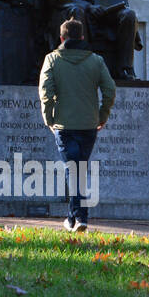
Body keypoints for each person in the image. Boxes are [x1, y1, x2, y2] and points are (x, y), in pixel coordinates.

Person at [38, 18, 116, 232]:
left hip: (64, 126)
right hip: (89, 125)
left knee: (74, 170)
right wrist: (102, 116)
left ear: (62, 38)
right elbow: (110, 90)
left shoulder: (52, 59)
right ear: (82, 37)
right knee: (77, 170)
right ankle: (73, 218)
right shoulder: (96, 61)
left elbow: (46, 93)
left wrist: (49, 119)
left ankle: (80, 217)